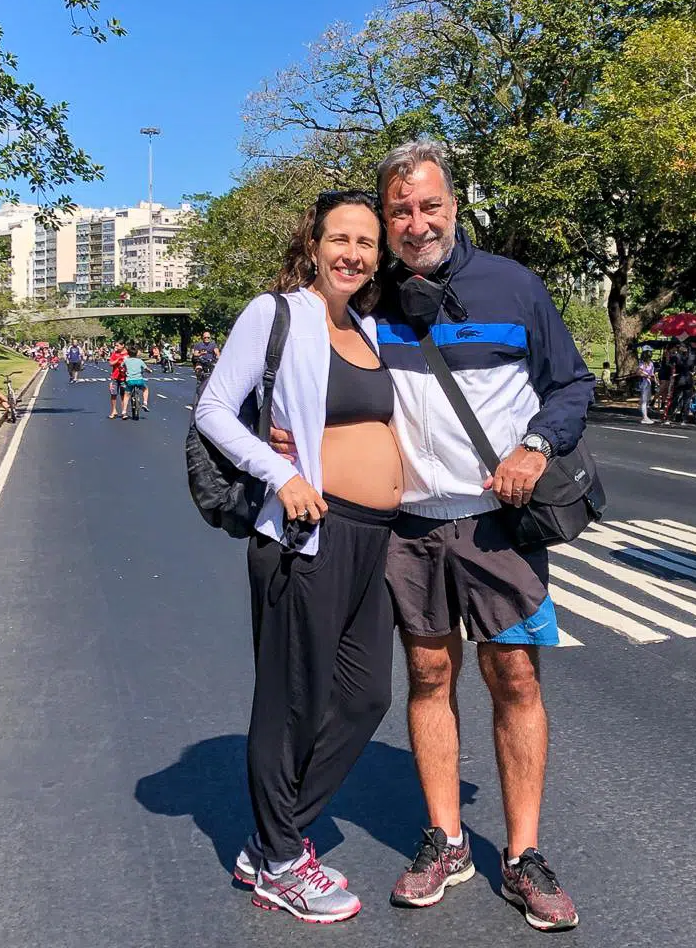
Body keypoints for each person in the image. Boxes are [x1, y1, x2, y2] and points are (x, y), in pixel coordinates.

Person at [270, 142, 593, 930]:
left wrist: (536, 445)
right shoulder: (370, 296)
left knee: (515, 678)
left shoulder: (513, 285)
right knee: (427, 675)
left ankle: (523, 854)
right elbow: (312, 366)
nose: (417, 223)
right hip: (408, 526)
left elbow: (572, 384)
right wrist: (285, 434)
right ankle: (446, 840)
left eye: (430, 206)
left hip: (497, 523)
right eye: (400, 211)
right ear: (386, 221)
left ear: (454, 206)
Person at [195, 190, 401, 924]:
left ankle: (272, 837)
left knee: (367, 695)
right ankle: (282, 862)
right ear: (312, 245)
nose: (353, 253)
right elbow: (214, 409)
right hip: (307, 533)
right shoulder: (276, 313)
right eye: (340, 238)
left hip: (374, 538)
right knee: (292, 701)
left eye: (367, 243)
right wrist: (280, 473)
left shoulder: (369, 328)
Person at [120, 344, 151, 417]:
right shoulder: (140, 361)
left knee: (126, 395)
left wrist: (124, 369)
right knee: (145, 389)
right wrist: (149, 371)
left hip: (130, 381)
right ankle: (145, 403)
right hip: (139, 380)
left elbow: (121, 366)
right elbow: (146, 368)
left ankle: (124, 411)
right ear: (136, 353)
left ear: (128, 354)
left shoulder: (126, 360)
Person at [107, 340, 128, 419]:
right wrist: (118, 359)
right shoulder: (115, 353)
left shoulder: (127, 354)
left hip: (124, 378)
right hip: (115, 377)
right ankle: (113, 411)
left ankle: (124, 412)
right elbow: (110, 363)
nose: (116, 347)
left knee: (123, 395)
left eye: (117, 345)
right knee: (113, 394)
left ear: (122, 345)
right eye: (115, 345)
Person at [637, 347, 655, 424]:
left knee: (647, 399)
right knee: (644, 400)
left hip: (648, 382)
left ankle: (642, 410)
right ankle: (645, 417)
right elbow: (638, 372)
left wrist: (654, 379)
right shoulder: (642, 363)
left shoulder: (650, 363)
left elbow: (652, 374)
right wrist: (646, 375)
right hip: (644, 382)